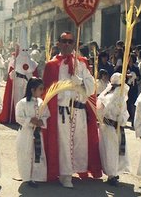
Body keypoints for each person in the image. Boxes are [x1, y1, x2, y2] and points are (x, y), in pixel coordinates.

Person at [41, 31, 102, 188]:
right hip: (62, 110)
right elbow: (47, 92)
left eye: (70, 41)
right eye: (64, 41)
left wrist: (80, 82)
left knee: (79, 141)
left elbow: (91, 87)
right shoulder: (52, 65)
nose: (67, 44)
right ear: (59, 43)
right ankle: (65, 174)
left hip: (79, 109)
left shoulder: (82, 63)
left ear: (74, 43)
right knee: (64, 141)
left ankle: (79, 169)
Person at [0, 27, 39, 124]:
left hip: (28, 83)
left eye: (26, 50)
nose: (24, 52)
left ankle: (26, 117)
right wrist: (12, 74)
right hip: (17, 83)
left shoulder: (32, 62)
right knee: (17, 100)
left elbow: (34, 74)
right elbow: (11, 76)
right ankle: (17, 117)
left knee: (27, 100)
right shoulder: (15, 62)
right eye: (22, 50)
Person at [15, 77, 50, 187]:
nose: (42, 91)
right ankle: (27, 177)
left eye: (42, 88)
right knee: (26, 154)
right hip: (26, 133)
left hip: (37, 133)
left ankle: (36, 176)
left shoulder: (42, 102)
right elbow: (18, 117)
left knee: (37, 154)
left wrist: (41, 121)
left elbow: (46, 115)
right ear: (32, 89)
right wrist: (30, 120)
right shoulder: (22, 103)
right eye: (40, 89)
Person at [97, 72, 130, 187]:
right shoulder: (108, 96)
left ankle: (115, 171)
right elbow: (102, 110)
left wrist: (122, 118)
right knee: (110, 150)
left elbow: (124, 111)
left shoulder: (121, 97)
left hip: (117, 127)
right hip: (108, 127)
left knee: (117, 150)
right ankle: (111, 174)